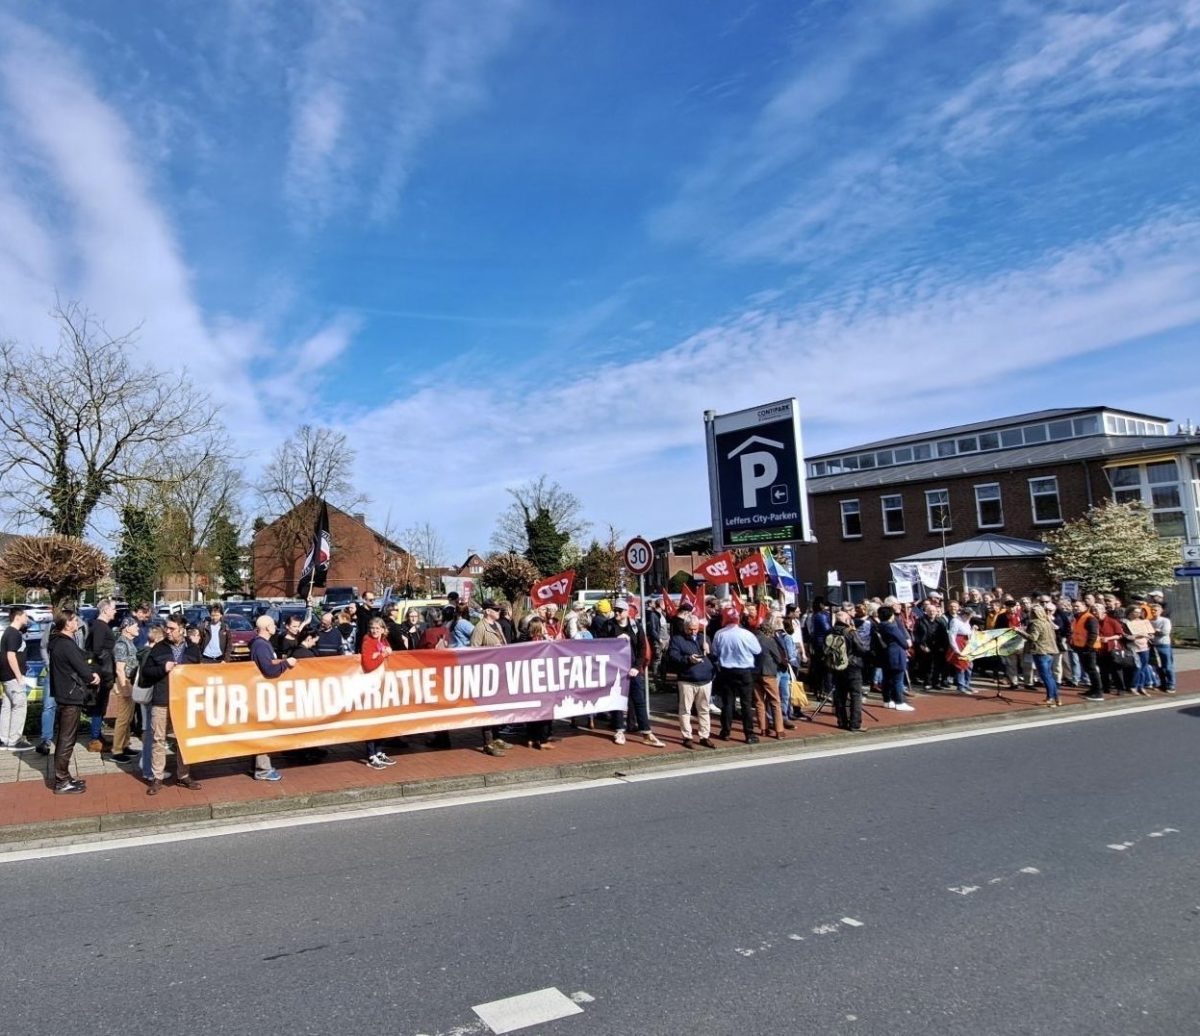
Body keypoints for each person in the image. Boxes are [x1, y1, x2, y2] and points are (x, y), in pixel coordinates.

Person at [138, 615, 202, 794]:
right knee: (159, 738)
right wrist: (162, 668)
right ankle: (157, 777)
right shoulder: (159, 648)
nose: (168, 631)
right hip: (162, 700)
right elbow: (146, 673)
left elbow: (199, 673)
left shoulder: (192, 649)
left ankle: (183, 775)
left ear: (182, 629)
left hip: (184, 701)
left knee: (184, 739)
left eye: (172, 628)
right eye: (167, 627)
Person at [46, 608, 100, 794]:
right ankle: (61, 781)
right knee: (66, 739)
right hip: (70, 694)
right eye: (74, 620)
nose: (77, 623)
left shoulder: (57, 642)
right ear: (67, 623)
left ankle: (65, 776)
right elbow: (82, 668)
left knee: (66, 736)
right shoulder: (66, 645)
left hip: (64, 693)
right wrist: (93, 676)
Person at [602, 599, 664, 747]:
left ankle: (646, 732)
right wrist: (614, 640)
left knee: (639, 701)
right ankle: (619, 730)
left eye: (620, 610)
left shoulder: (635, 626)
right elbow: (601, 644)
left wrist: (637, 666)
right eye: (615, 610)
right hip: (615, 668)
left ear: (627, 612)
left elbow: (642, 647)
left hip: (633, 668)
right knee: (617, 700)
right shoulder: (609, 625)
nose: (616, 613)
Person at [248, 616, 291, 780]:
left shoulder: (260, 644)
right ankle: (263, 769)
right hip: (262, 693)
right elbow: (269, 670)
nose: (275, 627)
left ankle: (259, 766)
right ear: (266, 627)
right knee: (263, 731)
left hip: (262, 692)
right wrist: (286, 664)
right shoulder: (261, 645)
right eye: (273, 624)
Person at [666, 612, 715, 748]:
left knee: (704, 709)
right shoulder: (677, 639)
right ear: (685, 627)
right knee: (685, 710)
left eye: (695, 628)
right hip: (687, 680)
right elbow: (673, 657)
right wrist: (688, 659)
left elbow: (715, 657)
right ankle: (687, 736)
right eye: (690, 629)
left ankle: (705, 736)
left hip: (705, 680)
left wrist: (709, 650)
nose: (693, 632)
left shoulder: (704, 638)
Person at [711, 607, 761, 743]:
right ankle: (749, 734)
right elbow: (757, 650)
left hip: (726, 671)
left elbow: (714, 652)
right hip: (745, 671)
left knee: (727, 703)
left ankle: (725, 732)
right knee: (746, 704)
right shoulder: (747, 634)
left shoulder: (719, 634)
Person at [469, 600, 510, 756]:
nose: (498, 611)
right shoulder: (480, 628)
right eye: (495, 609)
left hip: (499, 670)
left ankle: (497, 736)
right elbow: (474, 650)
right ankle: (488, 742)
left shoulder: (497, 625)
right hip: (487, 673)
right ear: (487, 611)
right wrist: (491, 651)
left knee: (498, 707)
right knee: (487, 709)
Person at [359, 617, 396, 769]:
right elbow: (368, 665)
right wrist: (382, 656)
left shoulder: (383, 640)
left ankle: (379, 751)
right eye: (372, 628)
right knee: (372, 720)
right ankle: (371, 755)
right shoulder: (368, 641)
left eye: (377, 628)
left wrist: (385, 653)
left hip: (382, 685)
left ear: (382, 629)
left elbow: (388, 651)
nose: (374, 630)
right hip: (370, 685)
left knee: (383, 720)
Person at [84, 597, 117, 752]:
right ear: (105, 610)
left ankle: (98, 735)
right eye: (113, 608)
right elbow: (96, 650)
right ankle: (95, 738)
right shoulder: (99, 626)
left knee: (101, 705)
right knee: (98, 705)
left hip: (105, 670)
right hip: (102, 672)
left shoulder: (101, 626)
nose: (115, 611)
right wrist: (101, 670)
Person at [828, 609, 867, 731]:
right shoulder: (850, 632)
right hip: (852, 666)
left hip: (836, 666)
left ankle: (842, 721)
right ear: (846, 620)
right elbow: (861, 648)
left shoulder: (830, 631)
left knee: (840, 695)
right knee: (855, 695)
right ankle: (855, 723)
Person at [1, 605, 34, 751]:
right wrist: (19, 676)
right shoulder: (14, 633)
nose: (27, 618)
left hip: (6, 676)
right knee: (20, 706)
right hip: (13, 677)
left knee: (7, 706)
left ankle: (4, 739)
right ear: (18, 617)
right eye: (25, 616)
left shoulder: (9, 632)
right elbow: (10, 655)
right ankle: (14, 739)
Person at [110, 616, 141, 762]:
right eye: (135, 626)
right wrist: (124, 687)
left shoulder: (129, 642)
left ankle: (125, 744)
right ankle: (117, 750)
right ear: (127, 628)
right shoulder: (122, 644)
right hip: (125, 682)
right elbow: (120, 669)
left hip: (130, 681)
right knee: (123, 718)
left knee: (129, 717)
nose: (138, 628)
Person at [875, 605, 913, 712]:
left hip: (885, 654)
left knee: (887, 678)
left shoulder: (879, 626)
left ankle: (887, 700)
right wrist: (907, 644)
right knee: (897, 679)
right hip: (896, 654)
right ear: (891, 615)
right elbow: (904, 642)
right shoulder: (891, 626)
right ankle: (899, 702)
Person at [1027, 602, 1060, 707]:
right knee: (1050, 676)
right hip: (1050, 651)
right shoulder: (1047, 621)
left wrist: (1019, 631)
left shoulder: (1035, 623)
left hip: (1041, 652)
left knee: (1046, 676)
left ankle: (1050, 698)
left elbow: (1033, 638)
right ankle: (1057, 698)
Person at [1070, 600, 1104, 701]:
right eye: (1074, 606)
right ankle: (1093, 689)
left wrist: (1088, 648)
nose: (1075, 608)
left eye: (1077, 606)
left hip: (1089, 648)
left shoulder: (1089, 618)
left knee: (1092, 669)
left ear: (1084, 606)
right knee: (1088, 669)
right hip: (1080, 647)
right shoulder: (1078, 617)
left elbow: (1093, 634)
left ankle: (1098, 692)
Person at [1150, 601, 1175, 693]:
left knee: (1167, 666)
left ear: (1160, 611)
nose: (1153, 612)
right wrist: (1154, 631)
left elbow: (1165, 632)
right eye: (1152, 610)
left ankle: (1171, 685)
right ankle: (1162, 683)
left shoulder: (1165, 621)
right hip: (1153, 645)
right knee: (1157, 666)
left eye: (1155, 610)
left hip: (1164, 644)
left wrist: (1154, 632)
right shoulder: (1149, 621)